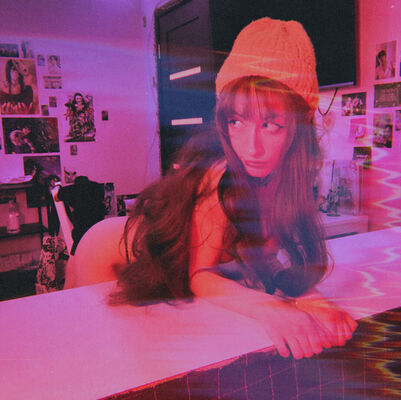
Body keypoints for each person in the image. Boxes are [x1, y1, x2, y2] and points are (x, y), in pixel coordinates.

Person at [67, 17, 357, 359]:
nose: (251, 147)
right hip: (109, 253)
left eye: (270, 125)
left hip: (158, 270)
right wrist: (274, 310)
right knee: (100, 362)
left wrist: (310, 298)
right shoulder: (223, 177)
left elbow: (260, 259)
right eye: (236, 121)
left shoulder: (287, 182)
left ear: (301, 122)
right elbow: (200, 276)